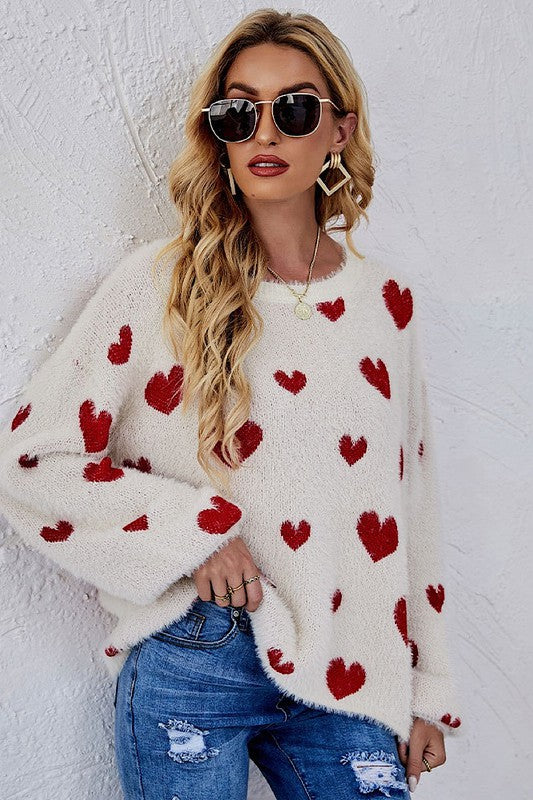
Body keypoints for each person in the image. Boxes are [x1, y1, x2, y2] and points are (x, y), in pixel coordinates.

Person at [0, 9, 463, 800]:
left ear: (340, 129)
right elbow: (33, 457)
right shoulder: (159, 285)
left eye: (295, 109)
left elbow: (407, 500)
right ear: (217, 134)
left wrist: (426, 689)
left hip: (350, 674)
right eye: (238, 112)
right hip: (197, 654)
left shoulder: (385, 303)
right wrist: (196, 533)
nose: (264, 133)